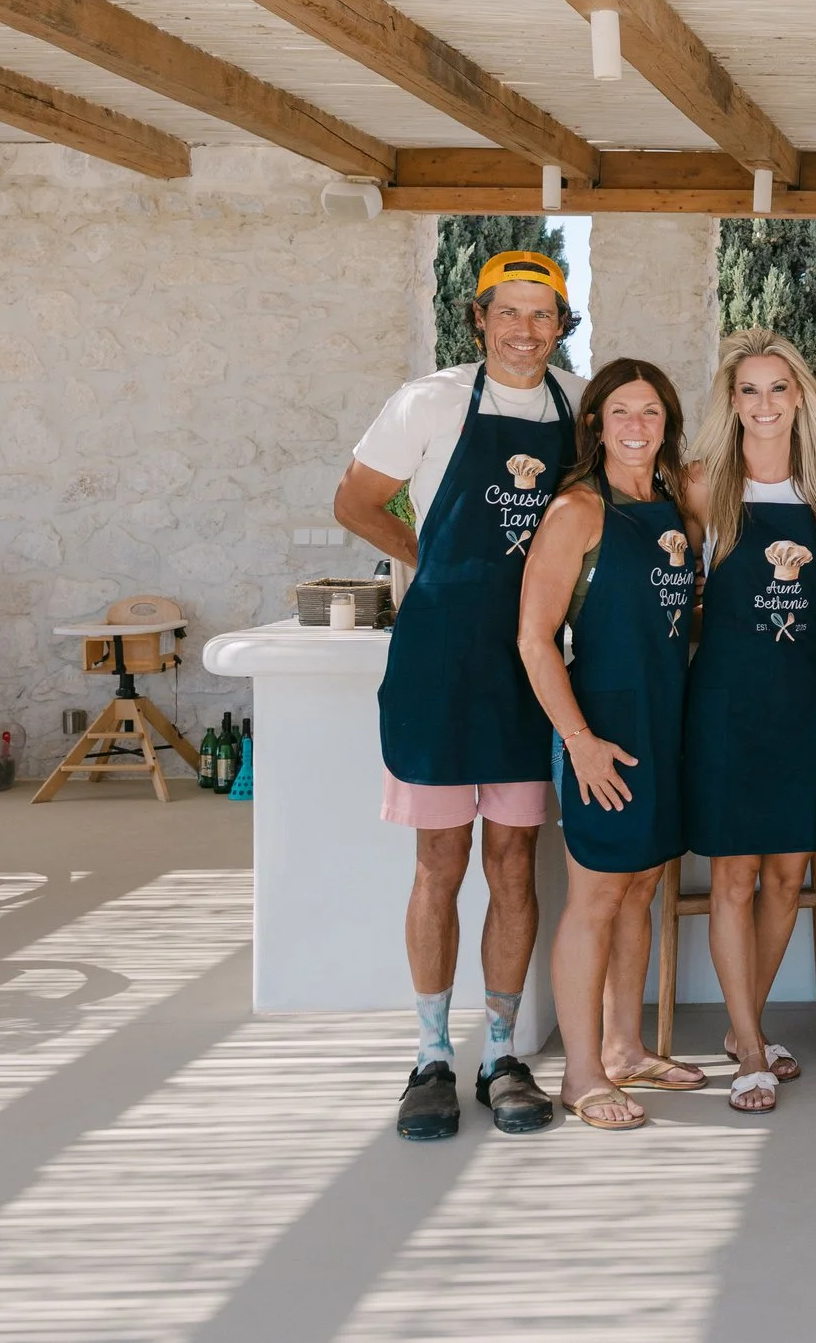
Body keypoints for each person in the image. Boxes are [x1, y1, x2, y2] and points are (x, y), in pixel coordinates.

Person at [334, 251, 583, 1140]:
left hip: (532, 667)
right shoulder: (429, 401)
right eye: (508, 312)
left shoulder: (579, 405)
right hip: (438, 662)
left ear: (562, 325)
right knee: (439, 862)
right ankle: (432, 1056)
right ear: (479, 319)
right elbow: (356, 502)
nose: (525, 330)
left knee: (514, 863)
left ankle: (502, 1054)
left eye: (542, 314)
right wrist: (429, 559)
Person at [517, 358, 710, 1131]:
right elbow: (534, 639)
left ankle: (626, 1047)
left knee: (640, 887)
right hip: (603, 728)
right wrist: (581, 742)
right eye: (621, 411)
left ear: (668, 424)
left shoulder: (671, 508)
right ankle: (581, 1072)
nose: (637, 425)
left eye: (651, 412)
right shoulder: (577, 510)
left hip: (666, 723)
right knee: (596, 897)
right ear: (595, 423)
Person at [681, 328, 816, 1116]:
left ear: (799, 396)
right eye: (750, 389)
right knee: (736, 876)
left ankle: (745, 1021)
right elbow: (675, 585)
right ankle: (748, 1045)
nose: (765, 402)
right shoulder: (701, 484)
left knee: (787, 875)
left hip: (803, 701)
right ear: (732, 400)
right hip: (727, 704)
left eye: (779, 387)